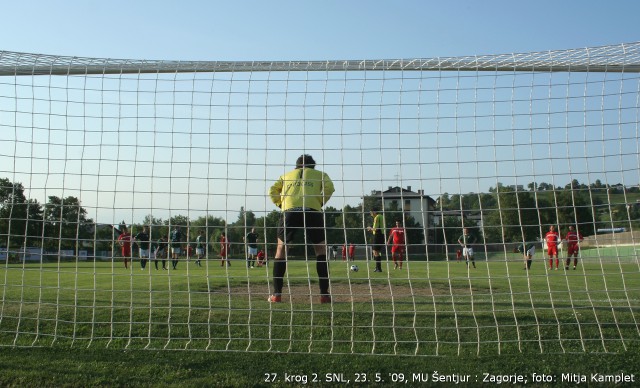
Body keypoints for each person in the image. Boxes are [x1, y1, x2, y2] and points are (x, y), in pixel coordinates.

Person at [267, 154, 335, 304]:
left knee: (281, 248)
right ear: (313, 166)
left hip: (289, 211)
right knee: (320, 249)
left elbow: (272, 191)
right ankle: (324, 295)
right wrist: (319, 202)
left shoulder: (285, 176)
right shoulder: (321, 175)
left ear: (296, 167)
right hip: (312, 210)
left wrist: (281, 204)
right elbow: (330, 188)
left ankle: (276, 295)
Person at [367, 207, 386, 272]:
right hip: (381, 235)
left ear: (374, 212)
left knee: (375, 252)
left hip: (378, 235)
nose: (370, 214)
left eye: (371, 212)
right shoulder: (381, 216)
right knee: (375, 251)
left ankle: (379, 268)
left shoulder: (377, 217)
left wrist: (370, 228)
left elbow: (376, 228)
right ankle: (377, 268)